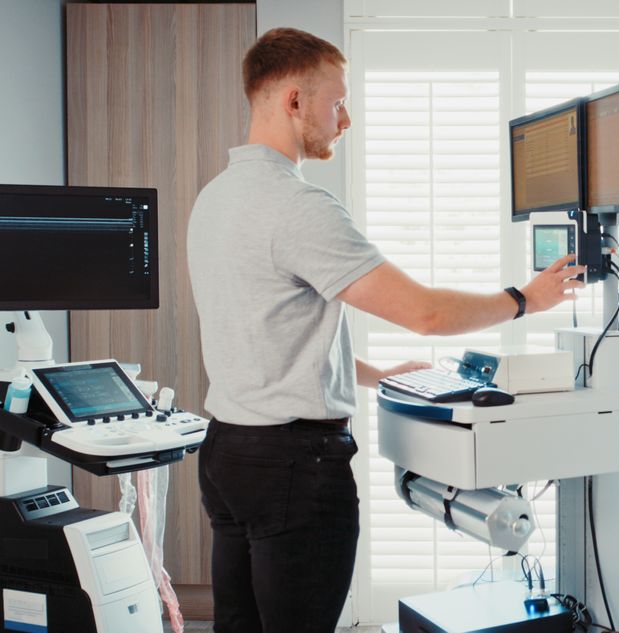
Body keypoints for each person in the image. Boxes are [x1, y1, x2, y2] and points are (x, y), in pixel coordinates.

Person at [187, 27, 584, 633]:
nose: (344, 120)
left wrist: (370, 374)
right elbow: (423, 312)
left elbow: (261, 332)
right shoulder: (296, 207)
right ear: (294, 101)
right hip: (293, 467)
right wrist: (523, 299)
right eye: (337, 101)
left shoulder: (214, 200)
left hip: (228, 455)